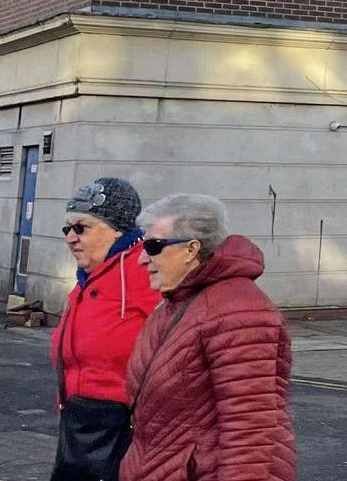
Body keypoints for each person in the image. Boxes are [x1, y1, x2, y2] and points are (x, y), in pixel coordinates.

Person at [122, 194, 295, 481]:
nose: (142, 259)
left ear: (192, 249)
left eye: (152, 246)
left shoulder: (238, 312)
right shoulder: (176, 303)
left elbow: (251, 428)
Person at [52, 178, 156, 481]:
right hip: (79, 424)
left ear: (118, 230)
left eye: (81, 228)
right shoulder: (89, 277)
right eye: (67, 229)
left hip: (124, 431)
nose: (71, 238)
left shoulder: (145, 272)